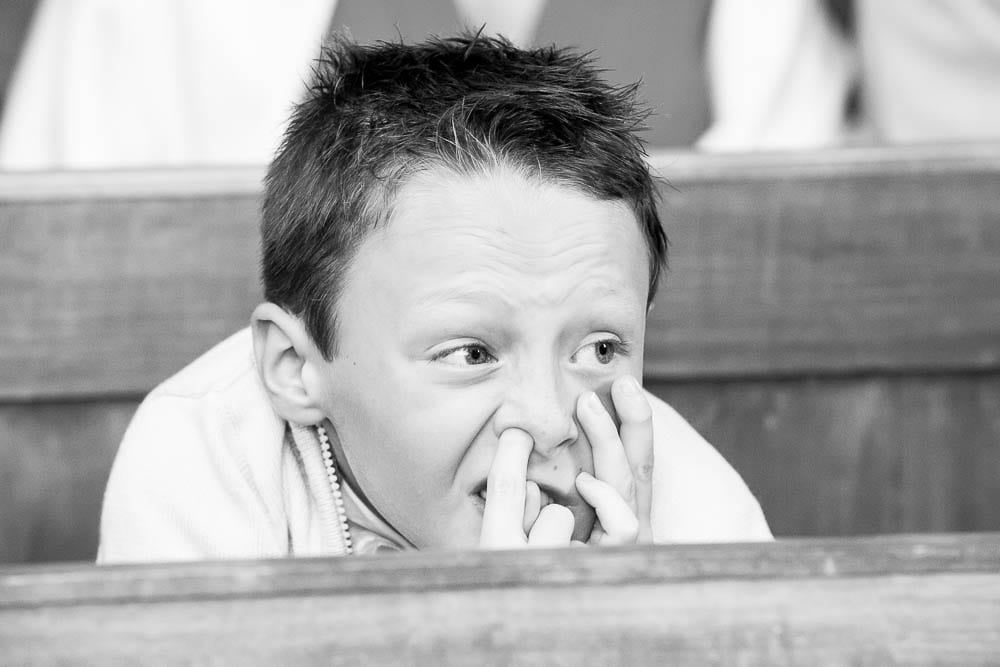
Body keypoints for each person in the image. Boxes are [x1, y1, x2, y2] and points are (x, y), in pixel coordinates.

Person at [98, 33, 771, 562]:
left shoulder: (687, 494)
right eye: (473, 352)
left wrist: (644, 620)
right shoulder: (201, 465)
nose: (550, 420)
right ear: (296, 368)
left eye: (599, 348)